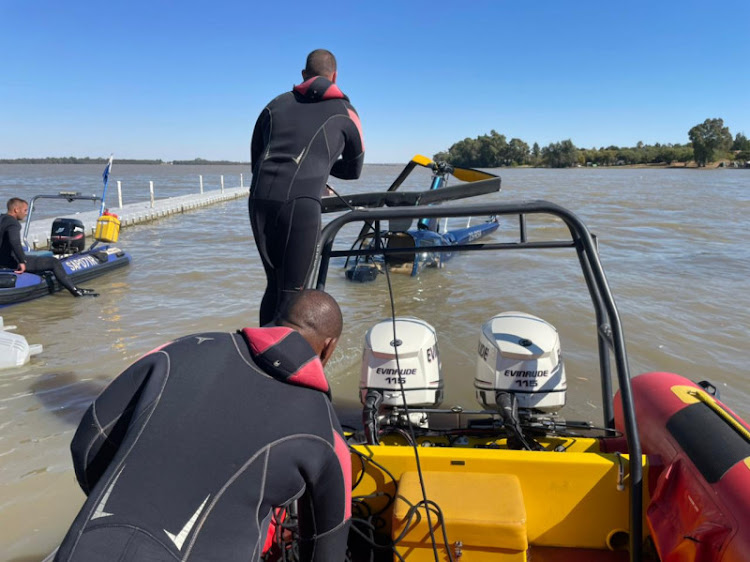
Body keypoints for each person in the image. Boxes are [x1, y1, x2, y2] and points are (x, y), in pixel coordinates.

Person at [54, 289, 351, 562]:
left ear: (276, 318)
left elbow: (87, 441)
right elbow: (328, 548)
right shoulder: (326, 432)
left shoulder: (179, 350)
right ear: (328, 348)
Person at [250, 48, 364, 326]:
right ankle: (285, 365)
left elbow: (258, 158)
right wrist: (320, 170)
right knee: (294, 293)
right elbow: (354, 169)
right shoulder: (346, 111)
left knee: (273, 285)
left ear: (303, 75)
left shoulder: (273, 105)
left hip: (259, 199)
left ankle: (260, 355)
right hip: (300, 203)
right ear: (334, 76)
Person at [0, 197, 96, 297]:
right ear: (16, 210)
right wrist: (22, 261)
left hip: (1, 260)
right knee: (54, 262)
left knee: (35, 259)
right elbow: (15, 242)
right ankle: (76, 291)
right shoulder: (13, 223)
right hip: (10, 262)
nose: (26, 213)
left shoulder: (1, 218)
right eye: (25, 210)